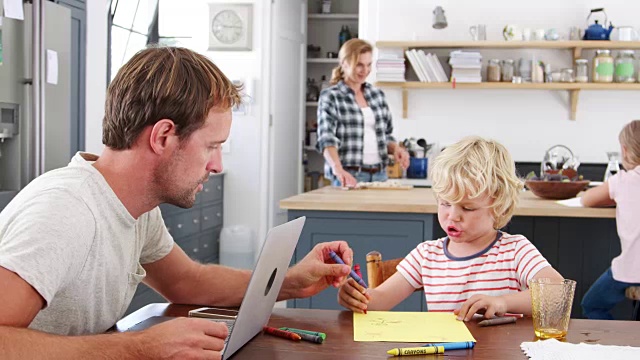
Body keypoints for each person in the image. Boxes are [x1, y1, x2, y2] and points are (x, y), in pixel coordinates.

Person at [0, 46, 354, 359]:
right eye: (212, 146)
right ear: (163, 136)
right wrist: (139, 349)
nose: (217, 165)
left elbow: (187, 282)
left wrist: (291, 281)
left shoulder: (135, 207)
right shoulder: (66, 211)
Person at [337, 136, 564, 320]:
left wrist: (502, 302)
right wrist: (357, 297)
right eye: (445, 203)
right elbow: (379, 300)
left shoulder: (515, 251)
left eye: (468, 208)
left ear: (497, 207)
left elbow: (558, 294)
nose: (452, 216)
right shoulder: (427, 255)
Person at [316, 39, 409, 188]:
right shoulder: (331, 96)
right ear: (344, 63)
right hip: (348, 175)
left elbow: (386, 136)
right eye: (359, 64)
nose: (365, 70)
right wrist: (338, 170)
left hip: (380, 175)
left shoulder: (377, 95)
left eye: (369, 64)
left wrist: (396, 149)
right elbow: (326, 139)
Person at [580, 120, 640, 320]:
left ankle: (614, 346)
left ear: (624, 150)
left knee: (591, 305)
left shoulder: (623, 180)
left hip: (631, 269)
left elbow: (587, 199)